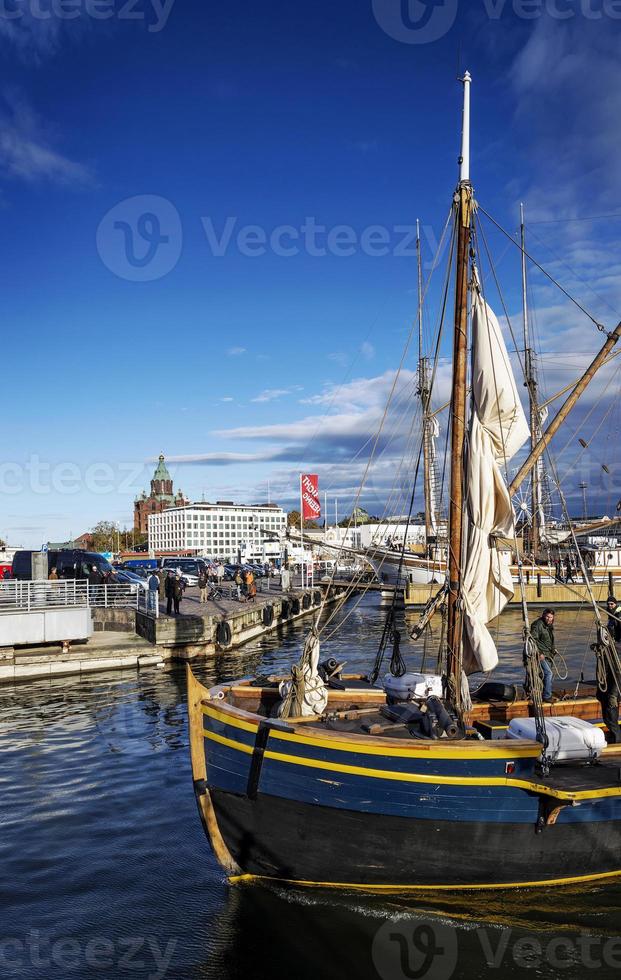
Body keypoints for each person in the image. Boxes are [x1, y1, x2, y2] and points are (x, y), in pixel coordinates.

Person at [599, 596, 621, 743]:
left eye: (612, 603)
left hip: (617, 663)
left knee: (612, 699)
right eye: (608, 604)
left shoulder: (618, 616)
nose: (610, 605)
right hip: (613, 659)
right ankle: (616, 734)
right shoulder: (611, 616)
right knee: (605, 696)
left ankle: (617, 736)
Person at [529, 608, 557, 703]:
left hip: (548, 654)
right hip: (540, 654)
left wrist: (553, 650)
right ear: (543, 615)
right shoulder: (537, 625)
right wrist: (539, 652)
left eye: (551, 617)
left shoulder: (548, 625)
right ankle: (547, 696)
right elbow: (533, 640)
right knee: (548, 673)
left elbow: (548, 640)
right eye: (547, 617)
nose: (549, 619)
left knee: (544, 675)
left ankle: (540, 692)